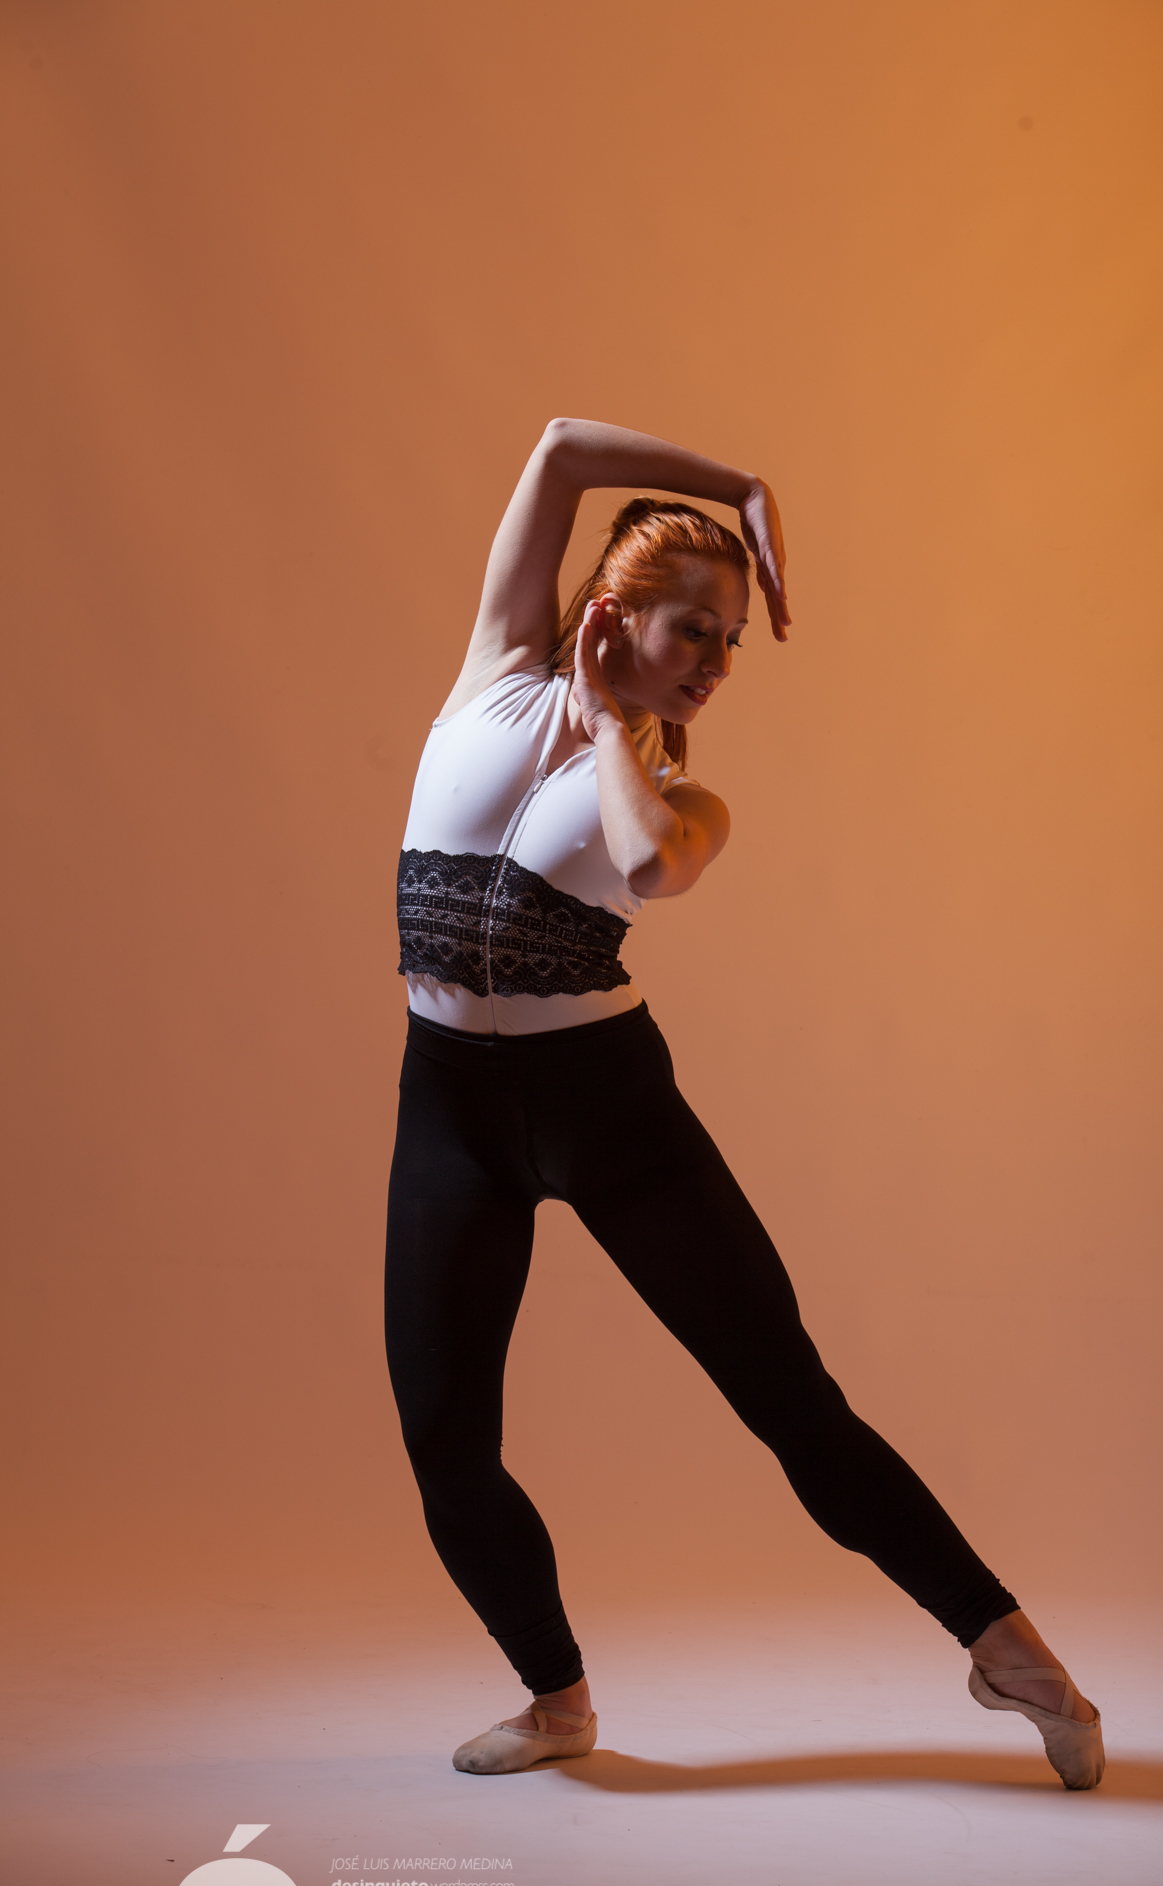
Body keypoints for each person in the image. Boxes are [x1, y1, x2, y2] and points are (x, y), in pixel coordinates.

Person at [384, 417, 1104, 1790]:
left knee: (790, 1402)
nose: (719, 663)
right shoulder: (496, 672)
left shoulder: (682, 796)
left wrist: (615, 728)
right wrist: (740, 489)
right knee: (443, 1439)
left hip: (610, 1109)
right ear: (614, 614)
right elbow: (559, 450)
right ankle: (556, 1700)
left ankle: (1011, 1653)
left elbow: (653, 867)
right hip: (450, 1111)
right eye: (695, 631)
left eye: (729, 642)